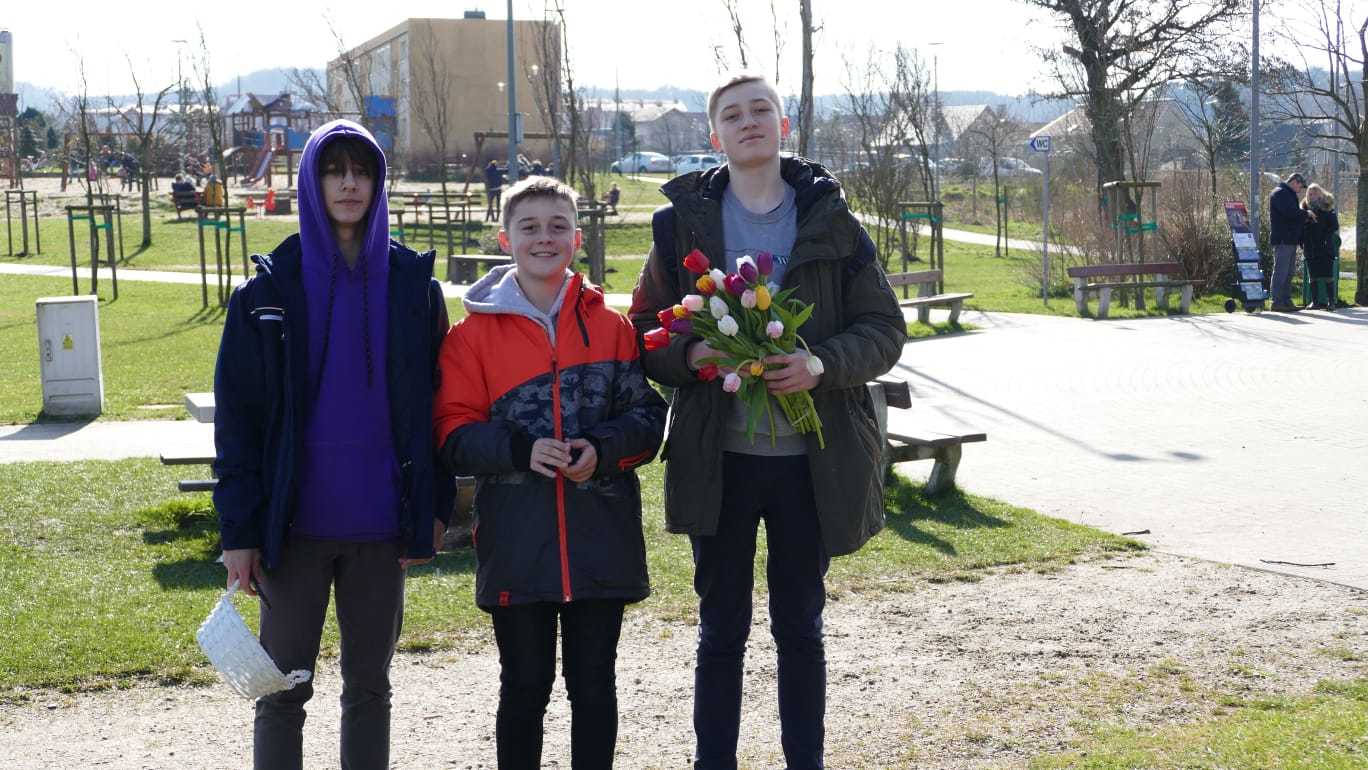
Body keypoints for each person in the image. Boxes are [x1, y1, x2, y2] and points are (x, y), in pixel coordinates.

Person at [628, 73, 907, 769]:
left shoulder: (833, 222)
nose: (748, 121)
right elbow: (644, 331)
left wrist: (820, 364)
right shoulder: (680, 226)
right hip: (718, 460)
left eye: (761, 110)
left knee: (800, 629)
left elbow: (884, 329)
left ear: (784, 126)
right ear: (714, 134)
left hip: (812, 463)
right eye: (732, 114)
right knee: (721, 631)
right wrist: (692, 355)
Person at [213, 119, 454, 770]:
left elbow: (437, 406)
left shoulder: (414, 288)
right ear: (310, 181)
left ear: (379, 183)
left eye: (362, 171)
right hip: (293, 530)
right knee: (281, 690)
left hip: (382, 528)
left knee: (370, 688)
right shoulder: (267, 292)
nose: (349, 183)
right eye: (333, 170)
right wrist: (239, 532)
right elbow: (237, 424)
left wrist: (434, 506)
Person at [433, 176, 667, 769]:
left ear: (577, 238)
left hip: (601, 539)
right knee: (524, 687)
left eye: (558, 226)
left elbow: (647, 418)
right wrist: (521, 451)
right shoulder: (470, 337)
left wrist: (601, 451)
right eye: (530, 227)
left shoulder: (612, 326)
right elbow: (452, 433)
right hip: (517, 542)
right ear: (504, 238)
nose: (545, 238)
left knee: (594, 685)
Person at [1268, 172, 1309, 311]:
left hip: (1290, 239)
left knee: (1289, 272)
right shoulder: (1280, 193)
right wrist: (1306, 214)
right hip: (1283, 239)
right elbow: (1290, 213)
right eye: (1300, 186)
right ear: (1295, 181)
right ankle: (1277, 301)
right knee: (1281, 271)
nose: (1300, 190)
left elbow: (1292, 213)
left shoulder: (1288, 193)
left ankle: (1286, 300)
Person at [1301, 183, 1340, 310]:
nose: (1311, 196)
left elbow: (1334, 226)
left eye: (1314, 193)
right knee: (1312, 275)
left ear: (1320, 194)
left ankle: (1331, 302)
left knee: (1328, 275)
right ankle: (1315, 302)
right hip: (1310, 246)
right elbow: (1301, 226)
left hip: (1325, 246)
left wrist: (1325, 237)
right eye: (1309, 194)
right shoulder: (1304, 209)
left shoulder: (1327, 208)